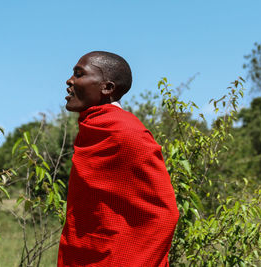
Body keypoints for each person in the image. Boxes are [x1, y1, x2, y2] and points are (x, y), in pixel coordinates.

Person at [57, 51, 179, 266]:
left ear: (107, 88)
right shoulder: (91, 128)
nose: (69, 80)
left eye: (79, 74)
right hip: (84, 253)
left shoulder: (128, 133)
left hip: (121, 257)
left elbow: (164, 213)